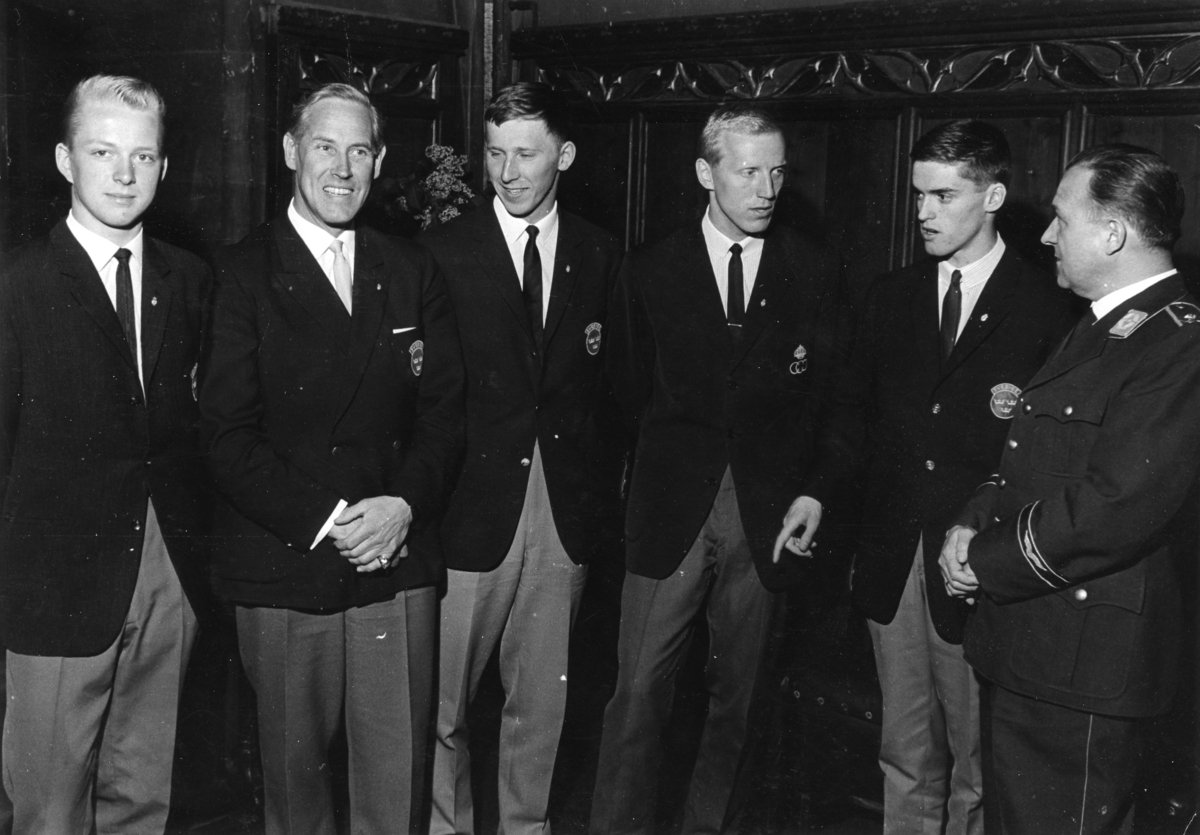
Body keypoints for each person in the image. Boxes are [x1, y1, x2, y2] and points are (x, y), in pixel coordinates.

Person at [198, 82, 464, 835]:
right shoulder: (240, 272)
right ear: (291, 151)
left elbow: (446, 413)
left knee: (397, 788)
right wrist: (333, 519)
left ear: (379, 161)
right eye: (324, 146)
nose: (342, 169)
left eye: (359, 151)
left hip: (395, 558)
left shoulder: (410, 267)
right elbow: (224, 436)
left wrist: (404, 505)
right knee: (296, 795)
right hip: (288, 561)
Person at [590, 103, 854, 835]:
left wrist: (815, 492)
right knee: (638, 694)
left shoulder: (815, 266)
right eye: (747, 172)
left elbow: (837, 399)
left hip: (766, 515)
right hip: (669, 510)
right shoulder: (649, 267)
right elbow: (623, 394)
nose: (766, 190)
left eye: (778, 172)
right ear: (706, 174)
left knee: (740, 699)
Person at [940, 143, 1200, 835]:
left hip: (1084, 668)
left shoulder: (1177, 344)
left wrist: (984, 560)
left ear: (1112, 233)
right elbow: (1032, 460)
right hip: (1038, 648)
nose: (1047, 235)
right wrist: (971, 521)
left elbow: (1117, 505)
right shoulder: (1100, 325)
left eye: (1062, 218)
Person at [838, 120, 1073, 835]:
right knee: (904, 756)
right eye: (917, 196)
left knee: (978, 766)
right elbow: (854, 421)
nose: (923, 212)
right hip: (892, 557)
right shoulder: (890, 295)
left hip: (979, 565)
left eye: (943, 196)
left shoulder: (1048, 305)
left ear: (993, 195)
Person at [0, 73, 211, 834]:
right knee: (48, 811)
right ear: (65, 160)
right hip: (53, 588)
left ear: (163, 166)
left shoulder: (190, 280)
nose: (124, 174)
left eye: (142, 156)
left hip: (167, 573)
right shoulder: (16, 286)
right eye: (102, 152)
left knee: (143, 799)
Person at [419, 81, 623, 835]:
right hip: (470, 511)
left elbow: (617, 391)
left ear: (563, 156)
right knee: (442, 707)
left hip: (563, 514)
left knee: (541, 708)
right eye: (495, 153)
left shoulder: (601, 252)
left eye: (526, 154)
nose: (507, 173)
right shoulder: (442, 252)